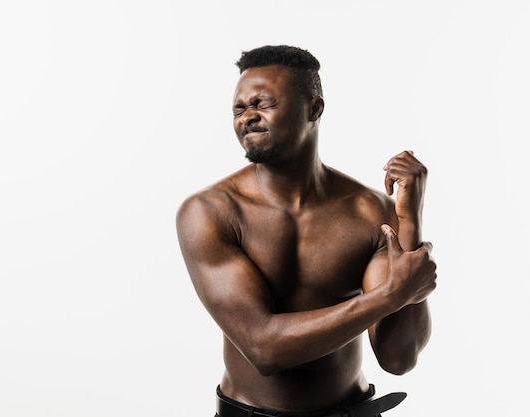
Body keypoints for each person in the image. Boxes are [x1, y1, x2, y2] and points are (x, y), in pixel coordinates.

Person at [176, 45, 437, 417]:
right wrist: (391, 295)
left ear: (314, 109)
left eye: (263, 104)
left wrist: (409, 222)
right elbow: (263, 348)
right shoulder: (210, 212)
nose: (248, 117)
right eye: (239, 108)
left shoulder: (371, 212)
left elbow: (398, 358)